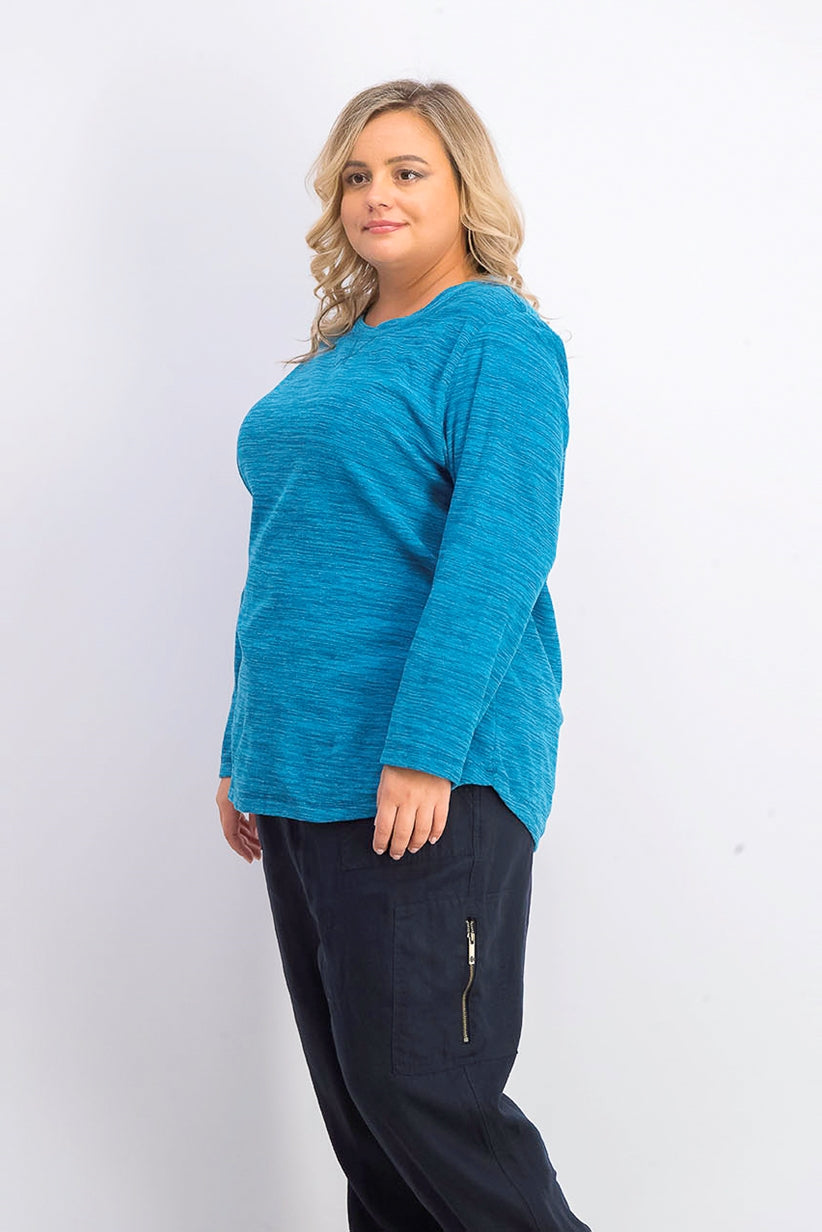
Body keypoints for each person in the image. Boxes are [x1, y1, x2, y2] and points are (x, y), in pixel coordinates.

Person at [216, 78, 592, 1232]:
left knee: (426, 1098)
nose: (376, 193)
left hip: (429, 772)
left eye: (407, 170)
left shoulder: (497, 339)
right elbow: (283, 557)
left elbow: (499, 553)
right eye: (357, 175)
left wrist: (425, 747)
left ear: (464, 186)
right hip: (302, 769)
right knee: (368, 1123)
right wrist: (241, 746)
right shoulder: (336, 356)